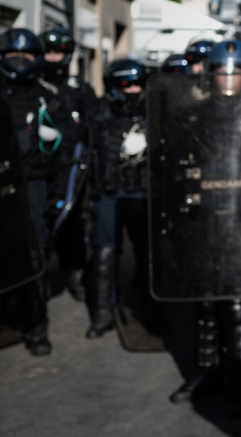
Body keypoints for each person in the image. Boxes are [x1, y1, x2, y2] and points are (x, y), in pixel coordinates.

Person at [166, 39, 241, 418]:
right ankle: (207, 372)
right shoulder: (196, 114)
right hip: (205, 219)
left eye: (236, 72)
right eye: (222, 72)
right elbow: (182, 162)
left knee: (240, 305)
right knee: (205, 303)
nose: (228, 79)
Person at [0, 28, 73, 356]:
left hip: (36, 185)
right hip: (3, 184)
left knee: (36, 256)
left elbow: (66, 153)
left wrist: (59, 195)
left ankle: (35, 326)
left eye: (28, 55)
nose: (20, 61)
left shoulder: (49, 98)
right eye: (13, 55)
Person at [85, 58, 162, 339]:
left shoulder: (153, 111)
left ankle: (150, 311)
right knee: (104, 251)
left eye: (138, 84)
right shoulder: (98, 111)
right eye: (126, 84)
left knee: (146, 253)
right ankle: (103, 313)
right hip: (108, 191)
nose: (132, 90)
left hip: (142, 192)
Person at [39, 25, 99, 303]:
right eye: (48, 52)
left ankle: (75, 275)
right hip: (41, 170)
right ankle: (38, 282)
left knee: (74, 226)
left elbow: (95, 126)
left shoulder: (79, 89)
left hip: (74, 171)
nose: (53, 58)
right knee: (40, 227)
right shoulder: (33, 86)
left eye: (58, 52)